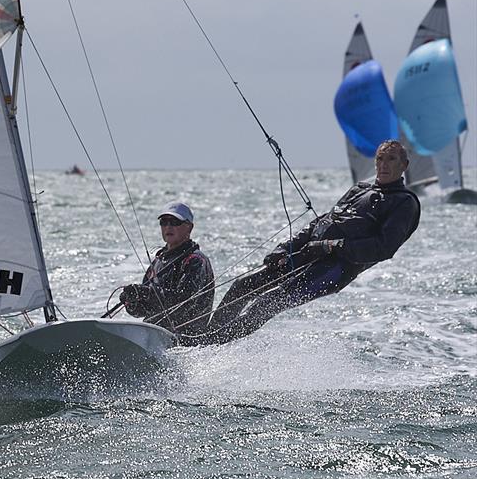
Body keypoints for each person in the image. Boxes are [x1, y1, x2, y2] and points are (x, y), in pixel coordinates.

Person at [204, 139, 421, 345]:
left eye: (391, 159)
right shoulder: (359, 189)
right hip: (307, 253)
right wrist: (286, 248)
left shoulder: (404, 203)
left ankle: (210, 345)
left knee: (265, 304)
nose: (383, 165)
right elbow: (321, 221)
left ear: (404, 165)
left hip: (333, 270)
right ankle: (204, 336)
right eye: (380, 159)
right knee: (243, 285)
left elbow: (382, 248)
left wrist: (331, 246)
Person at [120, 201, 214, 344]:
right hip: (154, 336)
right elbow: (143, 311)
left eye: (175, 222)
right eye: (164, 222)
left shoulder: (195, 261)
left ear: (189, 227)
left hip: (186, 342)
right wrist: (131, 302)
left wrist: (146, 293)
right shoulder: (158, 262)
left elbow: (183, 302)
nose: (168, 227)